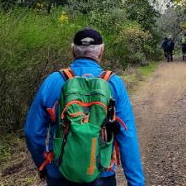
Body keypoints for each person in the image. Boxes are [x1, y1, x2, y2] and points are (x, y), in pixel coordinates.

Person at [25, 28, 145, 186]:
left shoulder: (53, 81)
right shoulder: (113, 83)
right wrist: (136, 182)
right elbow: (127, 135)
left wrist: (44, 164)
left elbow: (32, 133)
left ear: (72, 50)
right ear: (101, 51)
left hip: (59, 173)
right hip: (102, 174)